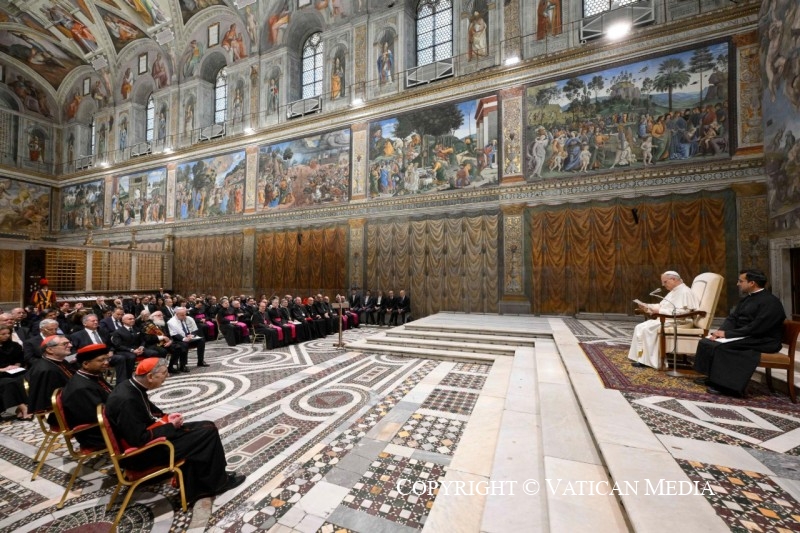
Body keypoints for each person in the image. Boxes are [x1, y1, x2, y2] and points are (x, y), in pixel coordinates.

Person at [105, 358, 245, 504]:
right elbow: (139, 438)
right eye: (164, 373)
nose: (168, 376)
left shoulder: (131, 387)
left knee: (207, 426)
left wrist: (167, 418)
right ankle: (216, 484)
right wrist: (170, 426)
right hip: (141, 455)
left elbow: (149, 414)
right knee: (207, 434)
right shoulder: (127, 400)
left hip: (148, 442)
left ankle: (212, 478)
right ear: (150, 376)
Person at [694, 269, 786, 396]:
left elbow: (757, 327)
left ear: (752, 283)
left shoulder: (770, 302)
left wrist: (728, 335)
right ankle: (713, 378)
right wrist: (721, 331)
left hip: (763, 339)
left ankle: (726, 386)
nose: (738, 284)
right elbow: (733, 318)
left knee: (724, 348)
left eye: (741, 281)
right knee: (707, 341)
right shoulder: (747, 299)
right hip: (746, 334)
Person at [627, 271, 699, 369]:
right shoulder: (674, 291)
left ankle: (650, 361)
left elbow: (682, 313)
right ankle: (641, 358)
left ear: (673, 279)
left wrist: (659, 311)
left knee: (648, 329)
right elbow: (662, 305)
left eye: (665, 282)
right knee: (640, 327)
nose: (663, 285)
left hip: (679, 322)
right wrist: (648, 306)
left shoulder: (685, 292)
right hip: (669, 319)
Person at [61, 344, 113, 448]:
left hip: (105, 424)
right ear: (86, 364)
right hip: (97, 434)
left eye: (107, 359)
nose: (106, 363)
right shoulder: (81, 388)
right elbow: (97, 415)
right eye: (101, 360)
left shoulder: (93, 375)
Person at [27, 335, 75, 422]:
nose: (70, 345)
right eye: (65, 344)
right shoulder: (46, 371)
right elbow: (52, 400)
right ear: (50, 350)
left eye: (69, 343)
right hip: (65, 414)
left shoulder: (60, 361)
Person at [0, 325, 29, 420]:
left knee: (25, 377)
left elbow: (20, 359)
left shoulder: (14, 345)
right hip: (1, 374)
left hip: (14, 371)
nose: (7, 336)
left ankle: (27, 406)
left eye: (8, 333)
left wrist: (16, 365)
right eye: (3, 334)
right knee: (10, 383)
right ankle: (23, 408)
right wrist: (3, 369)